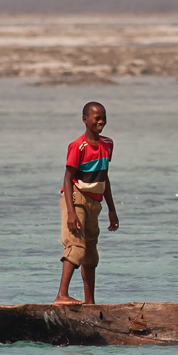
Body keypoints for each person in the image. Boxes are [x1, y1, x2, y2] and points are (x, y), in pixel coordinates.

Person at [55, 101, 119, 305]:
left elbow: (104, 177)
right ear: (85, 120)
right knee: (76, 246)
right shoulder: (78, 146)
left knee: (91, 252)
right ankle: (61, 295)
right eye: (96, 118)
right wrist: (71, 212)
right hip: (76, 198)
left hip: (94, 202)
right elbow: (67, 179)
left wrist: (111, 210)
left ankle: (90, 302)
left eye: (103, 118)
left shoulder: (107, 144)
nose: (101, 122)